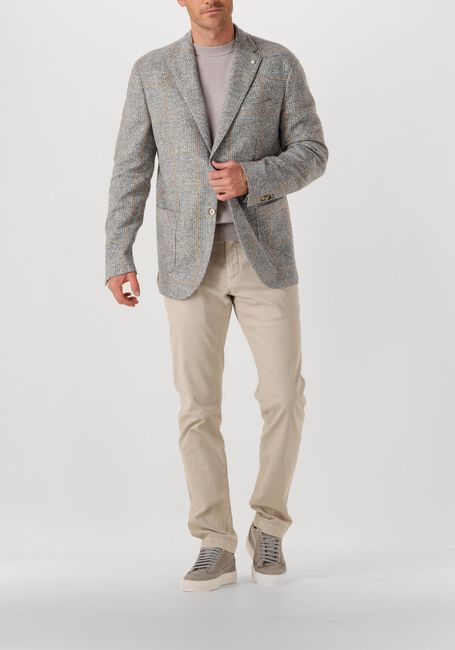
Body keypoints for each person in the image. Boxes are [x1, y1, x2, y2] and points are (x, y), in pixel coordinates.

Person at [104, 0, 328, 592]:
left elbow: (313, 151)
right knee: (196, 406)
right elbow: (131, 166)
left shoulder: (276, 63)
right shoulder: (152, 71)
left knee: (285, 397)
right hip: (187, 260)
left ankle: (269, 526)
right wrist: (118, 253)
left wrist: (254, 176)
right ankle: (214, 541)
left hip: (264, 257)